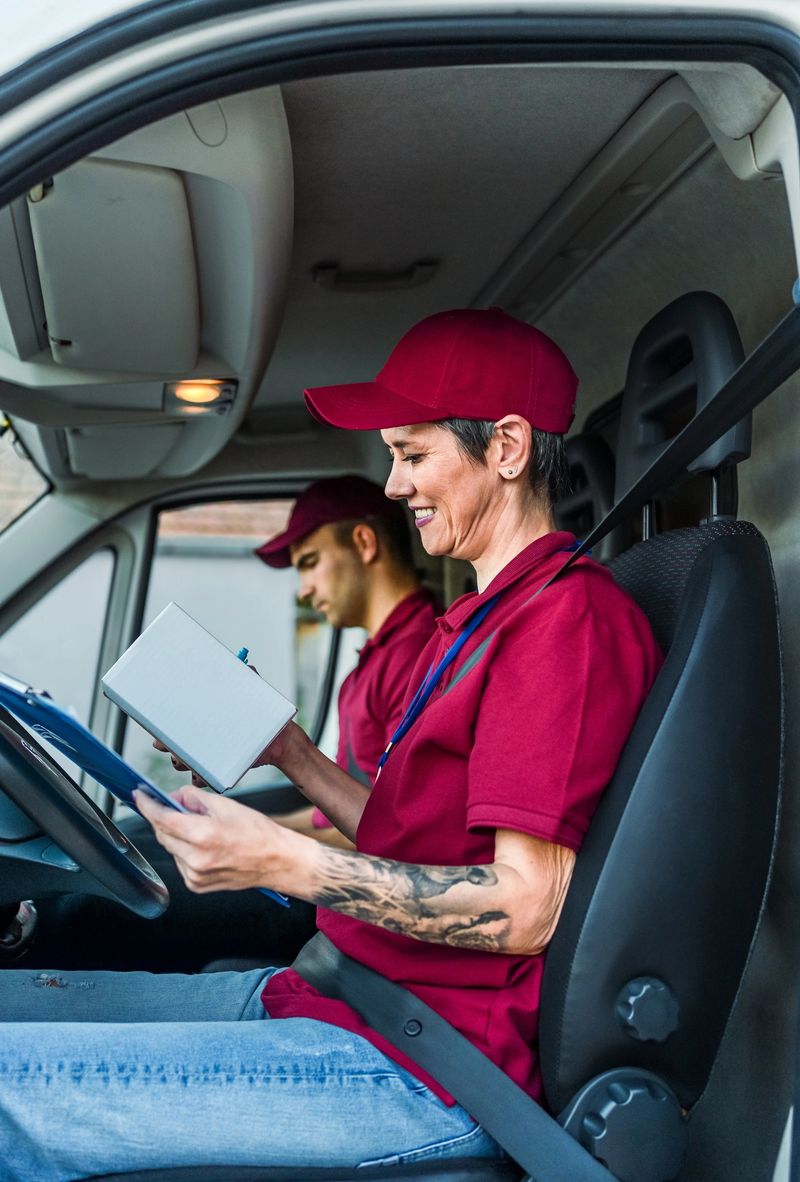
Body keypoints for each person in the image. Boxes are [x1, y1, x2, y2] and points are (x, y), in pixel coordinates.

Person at [0, 307, 662, 1180]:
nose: (393, 486)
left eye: (414, 455)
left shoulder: (564, 622)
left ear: (506, 447)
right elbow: (416, 833)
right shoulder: (477, 622)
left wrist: (279, 860)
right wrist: (295, 756)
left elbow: (525, 906)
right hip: (343, 995)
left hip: (424, 1066)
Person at [25, 475, 438, 972]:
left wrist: (257, 837)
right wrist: (242, 823)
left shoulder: (417, 656)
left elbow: (388, 833)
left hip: (336, 893)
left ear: (364, 542)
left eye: (310, 563)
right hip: (328, 865)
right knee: (136, 843)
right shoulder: (371, 663)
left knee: (93, 907)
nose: (305, 590)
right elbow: (342, 810)